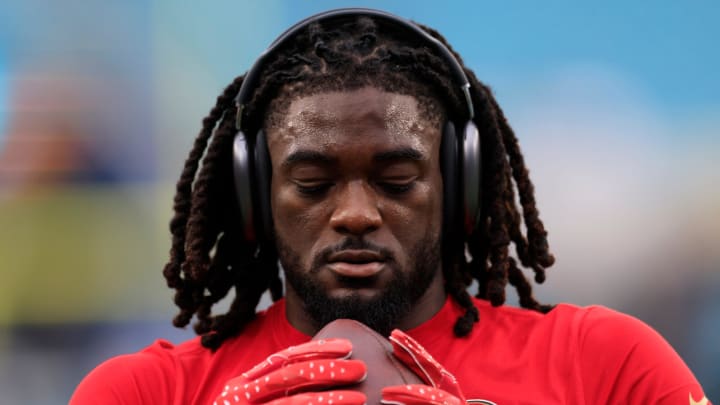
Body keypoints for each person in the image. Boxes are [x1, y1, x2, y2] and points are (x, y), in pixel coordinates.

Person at [71, 8, 711, 405]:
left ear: (457, 186)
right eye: (314, 185)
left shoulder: (605, 366)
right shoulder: (142, 394)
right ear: (253, 198)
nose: (355, 214)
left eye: (397, 181)